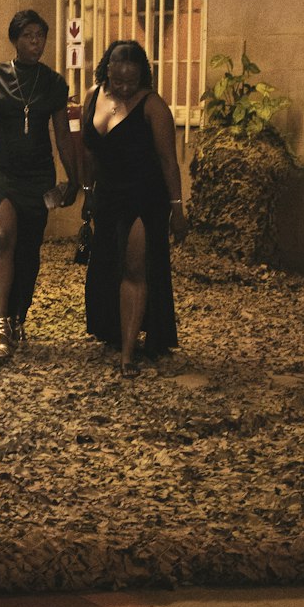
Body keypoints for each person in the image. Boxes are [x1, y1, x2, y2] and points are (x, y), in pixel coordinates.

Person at [0, 9, 77, 359]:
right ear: (15, 39)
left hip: (38, 175)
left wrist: (74, 177)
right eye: (29, 35)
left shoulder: (53, 83)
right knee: (2, 238)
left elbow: (62, 134)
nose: (35, 42)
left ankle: (18, 314)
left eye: (40, 36)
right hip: (2, 171)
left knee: (28, 250)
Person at [80, 38, 188, 375]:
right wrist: (87, 192)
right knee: (109, 266)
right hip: (109, 196)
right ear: (107, 72)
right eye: (118, 81)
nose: (125, 88)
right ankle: (117, 331)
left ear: (142, 76)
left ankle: (128, 354)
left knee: (135, 269)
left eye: (132, 81)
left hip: (145, 197)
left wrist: (178, 209)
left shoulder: (153, 106)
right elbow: (90, 152)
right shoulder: (92, 96)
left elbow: (169, 162)